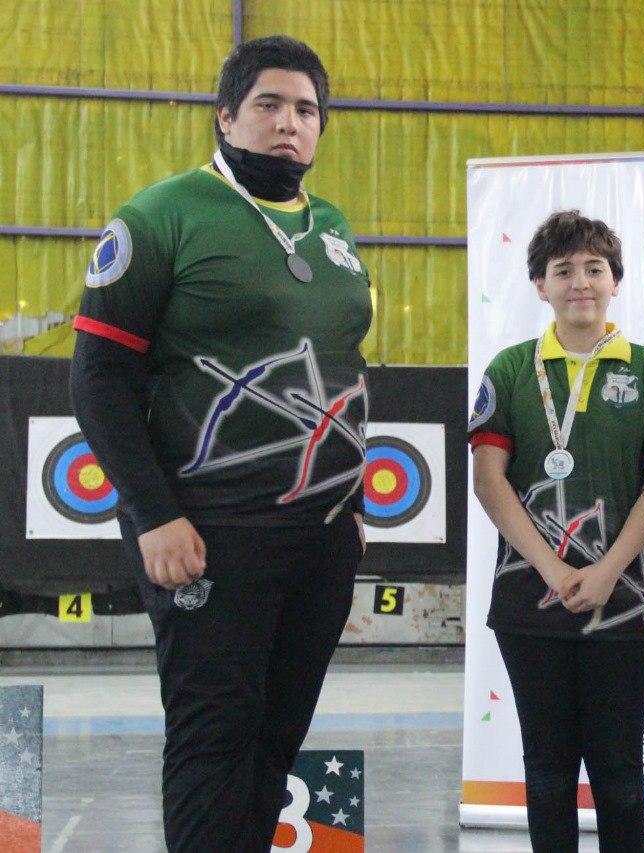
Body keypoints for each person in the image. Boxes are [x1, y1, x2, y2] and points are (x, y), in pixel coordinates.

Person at [69, 35, 370, 852]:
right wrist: (152, 514)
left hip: (320, 541)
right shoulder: (160, 216)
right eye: (269, 104)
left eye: (306, 109)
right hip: (208, 535)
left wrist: (352, 506)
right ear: (227, 116)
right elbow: (97, 379)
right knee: (214, 738)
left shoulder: (334, 229)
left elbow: (342, 367)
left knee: (276, 740)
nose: (289, 123)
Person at [468, 211, 644, 851]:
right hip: (530, 600)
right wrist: (556, 570)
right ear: (540, 285)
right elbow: (489, 482)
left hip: (626, 601)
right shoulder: (510, 369)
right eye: (563, 271)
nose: (580, 282)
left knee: (618, 768)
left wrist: (606, 571)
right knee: (546, 767)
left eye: (594, 268)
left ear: (616, 280)